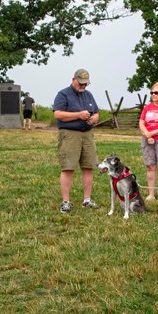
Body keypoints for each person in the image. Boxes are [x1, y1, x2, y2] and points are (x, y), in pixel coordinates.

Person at [53, 69, 100, 213]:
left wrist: (93, 118)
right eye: (81, 83)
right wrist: (78, 115)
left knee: (88, 166)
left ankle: (87, 200)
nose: (83, 86)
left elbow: (97, 112)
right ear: (73, 79)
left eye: (86, 84)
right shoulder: (63, 94)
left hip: (87, 134)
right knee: (68, 167)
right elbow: (58, 114)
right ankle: (66, 201)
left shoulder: (89, 95)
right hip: (70, 134)